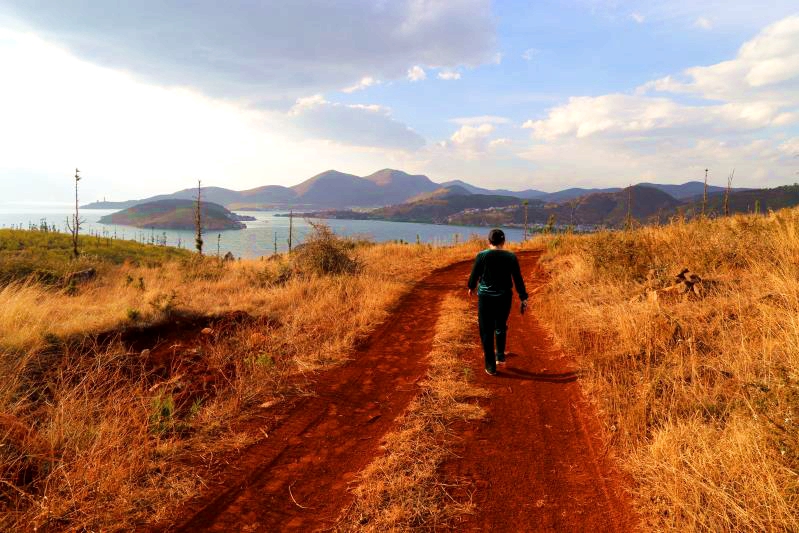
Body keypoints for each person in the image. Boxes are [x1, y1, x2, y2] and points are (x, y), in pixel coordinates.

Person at [467, 228, 528, 375]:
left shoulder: (482, 256)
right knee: (500, 325)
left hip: (485, 298)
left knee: (486, 330)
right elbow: (517, 278)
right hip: (504, 297)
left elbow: (474, 276)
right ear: (503, 241)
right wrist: (523, 296)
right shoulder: (511, 257)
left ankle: (490, 366)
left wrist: (471, 287)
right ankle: (500, 357)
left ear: (489, 242)